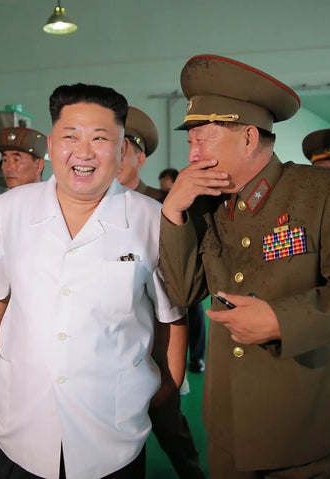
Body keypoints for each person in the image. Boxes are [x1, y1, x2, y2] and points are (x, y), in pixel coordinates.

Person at [158, 54, 330, 477]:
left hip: (304, 423)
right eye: (191, 140)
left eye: (204, 139)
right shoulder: (204, 203)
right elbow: (183, 293)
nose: (193, 153)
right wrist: (173, 212)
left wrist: (281, 320)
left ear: (248, 138)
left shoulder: (322, 190)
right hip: (227, 421)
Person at [0, 83, 187, 479]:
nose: (83, 152)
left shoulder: (150, 219)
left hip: (112, 423)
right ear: (53, 144)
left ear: (122, 149)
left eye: (100, 139)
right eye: (71, 137)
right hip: (23, 416)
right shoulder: (10, 209)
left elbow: (171, 315)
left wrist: (167, 389)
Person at [119, 106, 205, 479]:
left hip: (159, 335)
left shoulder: (163, 205)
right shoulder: (90, 204)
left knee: (168, 421)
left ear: (141, 157)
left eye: (122, 149)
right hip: (116, 340)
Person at [0, 126, 47, 478]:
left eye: (17, 158)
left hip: (42, 334)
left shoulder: (58, 206)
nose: (8, 166)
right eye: (4, 159)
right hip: (3, 327)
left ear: (39, 165)